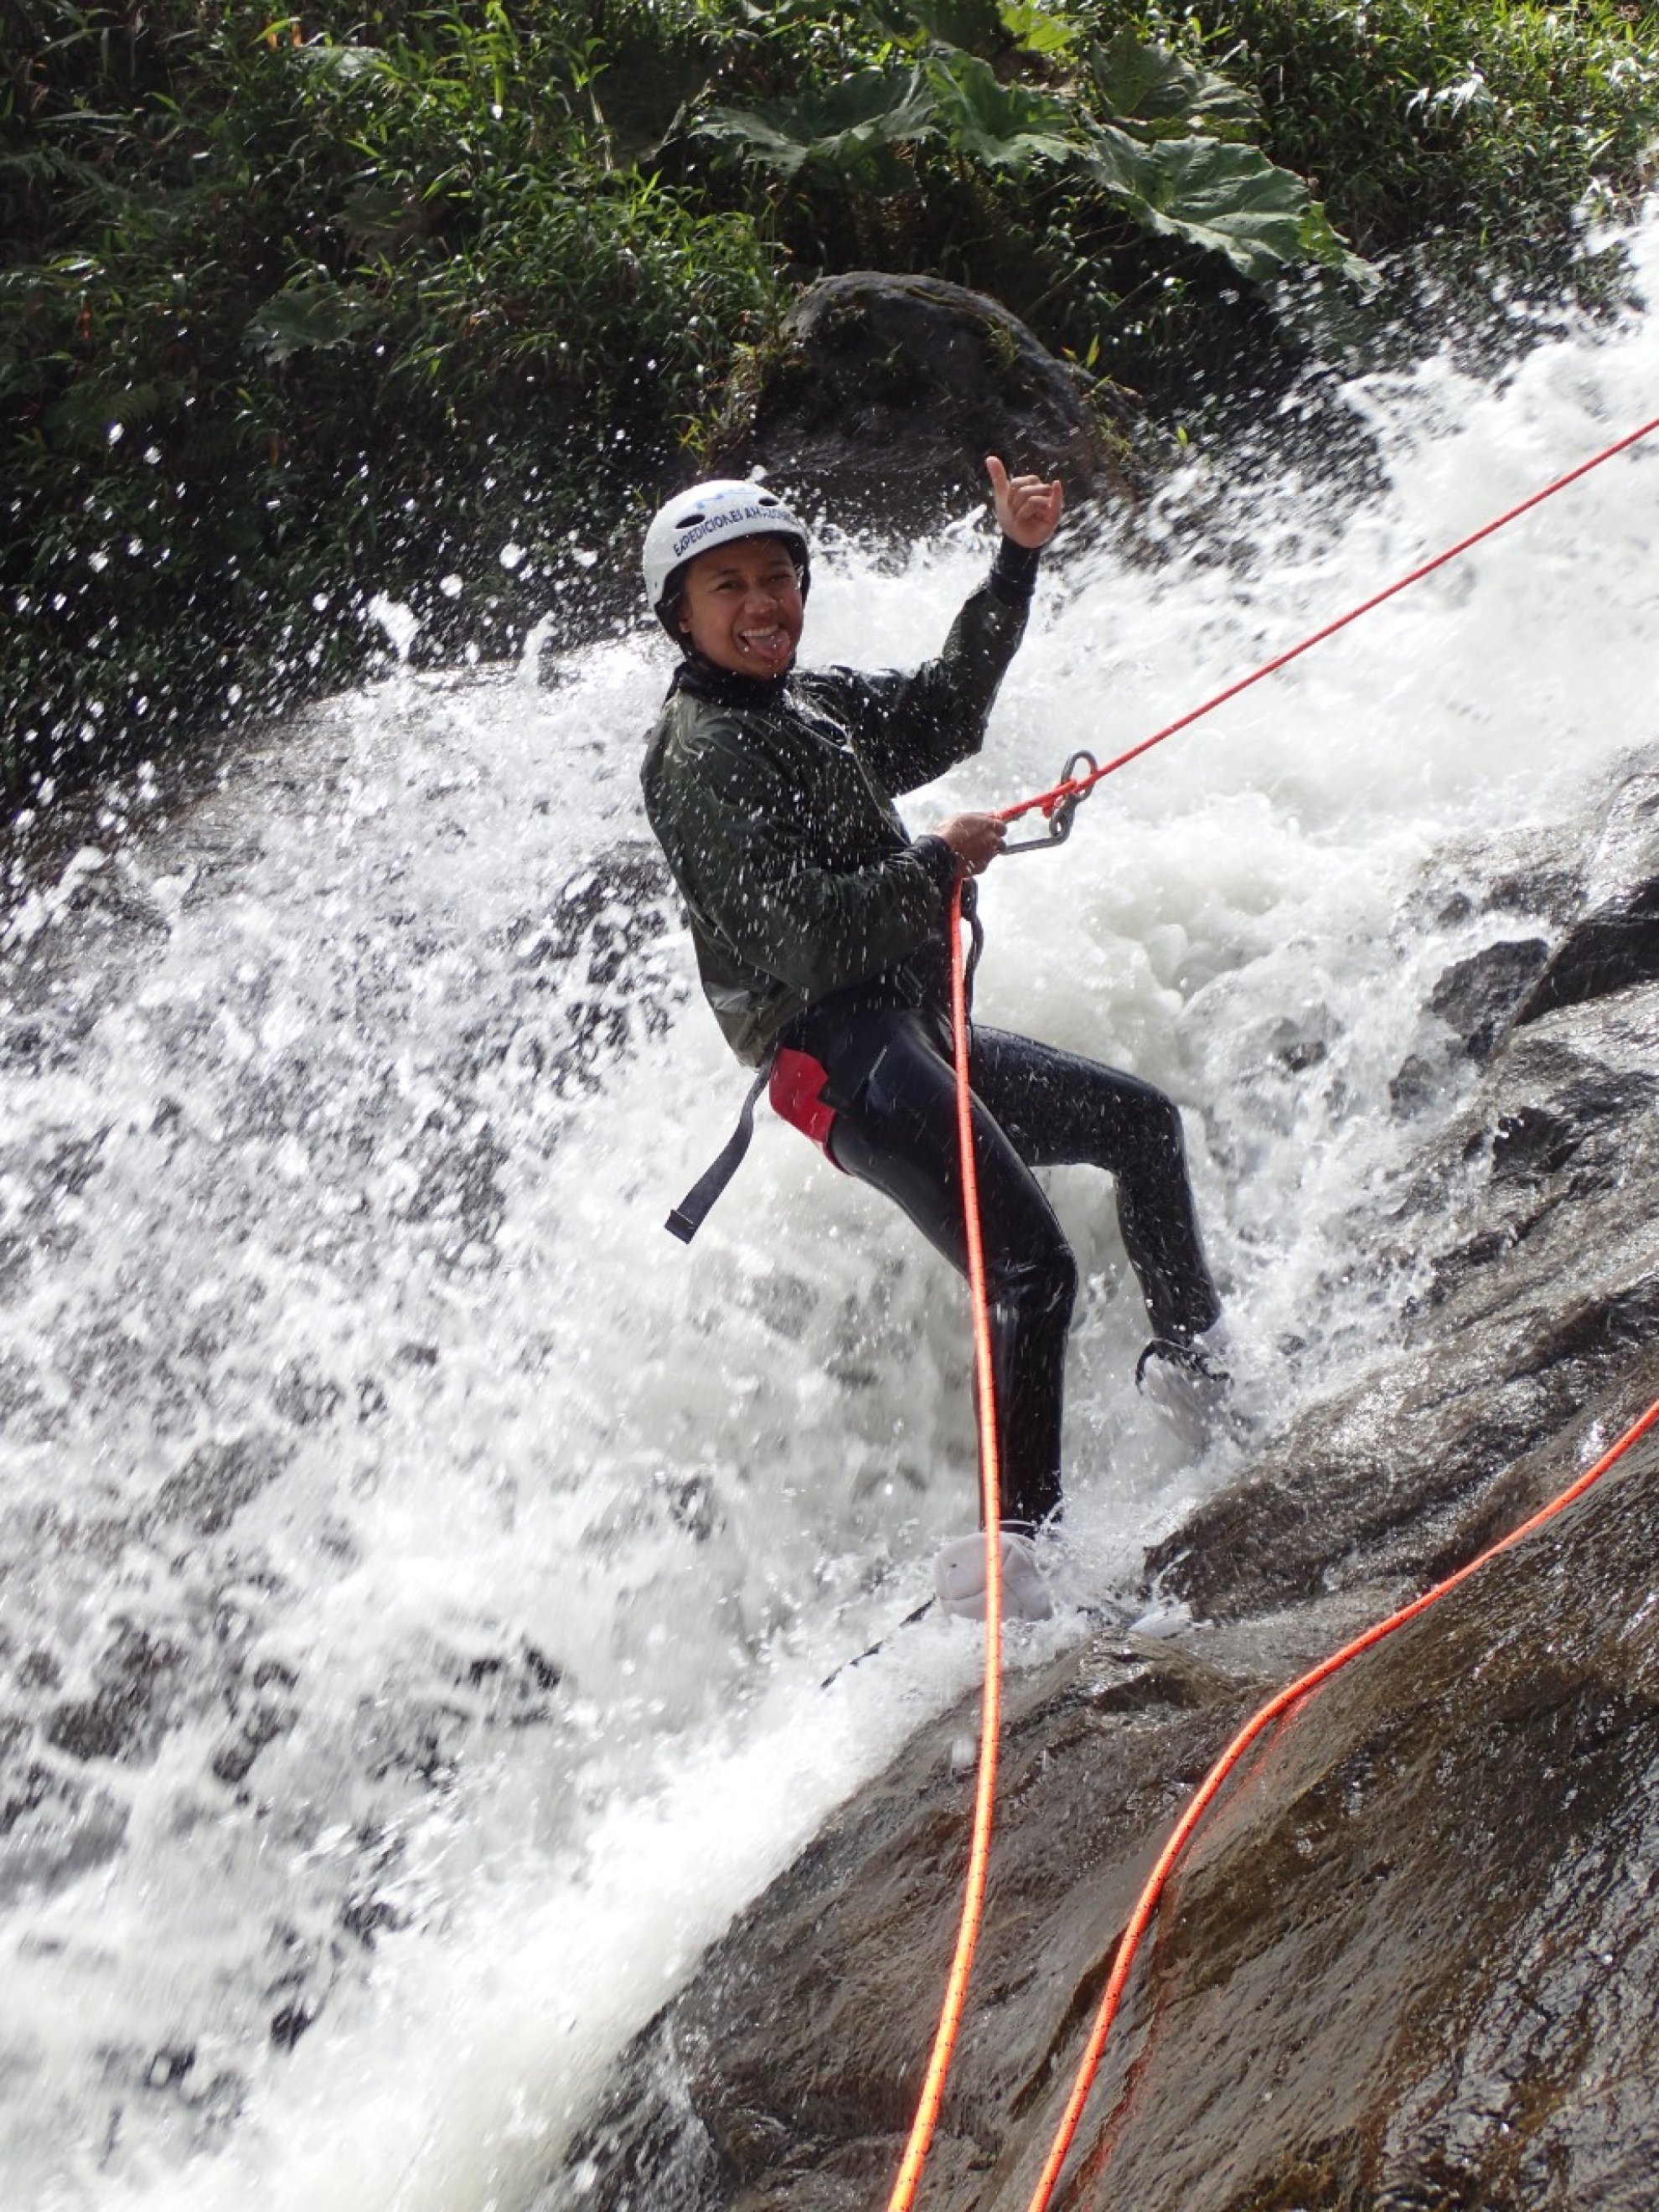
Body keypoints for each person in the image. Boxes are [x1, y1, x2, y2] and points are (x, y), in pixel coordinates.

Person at [639, 463, 1227, 1620]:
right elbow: (801, 939)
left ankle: (1204, 1384)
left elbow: (950, 711)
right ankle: (1019, 1564)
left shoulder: (809, 709)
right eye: (730, 588)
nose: (763, 604)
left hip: (904, 1027)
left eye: (777, 579)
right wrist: (936, 862)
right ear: (682, 616)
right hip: (835, 1053)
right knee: (1029, 1267)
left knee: (1139, 1125)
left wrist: (1015, 559)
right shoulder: (702, 752)